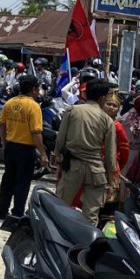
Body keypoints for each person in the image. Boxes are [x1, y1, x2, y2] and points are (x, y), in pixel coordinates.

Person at [53, 79, 117, 225]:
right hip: (96, 171)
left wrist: (57, 157)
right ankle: (85, 245)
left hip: (73, 167)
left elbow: (60, 140)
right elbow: (110, 155)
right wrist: (111, 180)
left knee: (59, 207)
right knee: (91, 216)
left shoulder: (72, 110)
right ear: (102, 98)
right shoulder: (107, 120)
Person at [0, 75, 50, 224]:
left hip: (10, 147)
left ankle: (1, 211)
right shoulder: (33, 106)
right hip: (25, 149)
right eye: (38, 88)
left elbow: (2, 124)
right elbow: (36, 132)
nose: (39, 91)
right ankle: (17, 213)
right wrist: (43, 153)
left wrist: (4, 142)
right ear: (33, 89)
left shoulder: (10, 102)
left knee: (8, 179)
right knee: (22, 182)